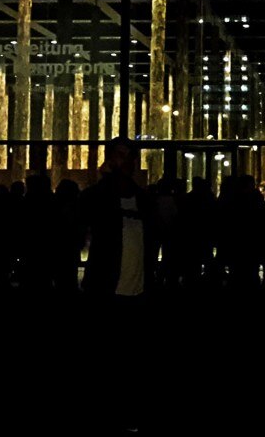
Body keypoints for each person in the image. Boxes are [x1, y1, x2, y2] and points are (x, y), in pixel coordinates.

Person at [80, 137, 155, 432]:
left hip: (135, 292)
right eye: (122, 156)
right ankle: (108, 412)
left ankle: (126, 411)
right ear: (111, 160)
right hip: (107, 291)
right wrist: (107, 179)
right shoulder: (101, 197)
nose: (128, 162)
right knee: (106, 357)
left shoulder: (141, 198)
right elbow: (85, 210)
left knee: (131, 359)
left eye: (131, 157)